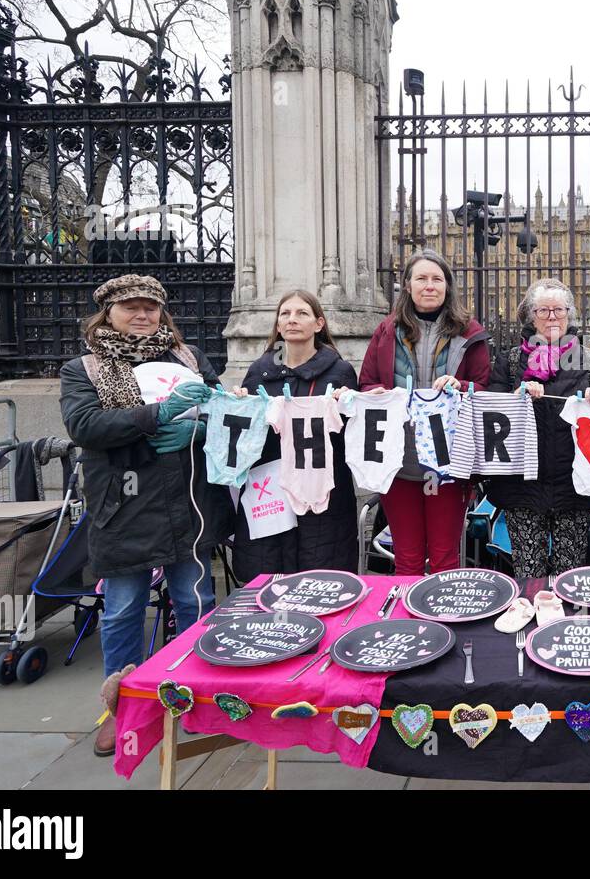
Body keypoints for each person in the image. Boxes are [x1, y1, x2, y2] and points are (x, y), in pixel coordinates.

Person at [59, 274, 232, 757]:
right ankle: (125, 709)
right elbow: (86, 426)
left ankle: (196, 697)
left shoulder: (189, 359)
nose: (141, 314)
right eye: (130, 307)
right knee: (122, 613)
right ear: (107, 313)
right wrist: (158, 414)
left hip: (188, 501)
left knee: (196, 604)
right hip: (123, 507)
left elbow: (224, 410)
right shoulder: (84, 368)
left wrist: (195, 430)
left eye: (150, 307)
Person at [357, 249, 491, 574]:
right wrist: (375, 394)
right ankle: (408, 624)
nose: (429, 286)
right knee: (407, 558)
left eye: (437, 279)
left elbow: (484, 390)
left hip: (449, 463)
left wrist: (461, 387)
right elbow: (366, 384)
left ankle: (443, 623)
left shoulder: (470, 333)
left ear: (448, 286)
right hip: (399, 459)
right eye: (421, 278)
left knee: (445, 558)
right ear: (407, 285)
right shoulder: (386, 331)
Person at [485, 278, 590, 578]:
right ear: (531, 316)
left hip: (574, 485)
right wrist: (517, 396)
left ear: (569, 315)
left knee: (570, 575)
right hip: (523, 485)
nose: (552, 317)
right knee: (529, 574)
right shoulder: (511, 361)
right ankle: (529, 623)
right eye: (543, 310)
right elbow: (494, 409)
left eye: (559, 309)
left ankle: (567, 624)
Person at [231, 290, 360, 583]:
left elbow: (352, 437)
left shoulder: (340, 373)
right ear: (277, 326)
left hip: (323, 491)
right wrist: (239, 404)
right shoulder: (258, 373)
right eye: (285, 314)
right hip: (270, 488)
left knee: (321, 575)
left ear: (319, 324)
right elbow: (247, 437)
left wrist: (348, 405)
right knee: (270, 574)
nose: (292, 320)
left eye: (302, 313)